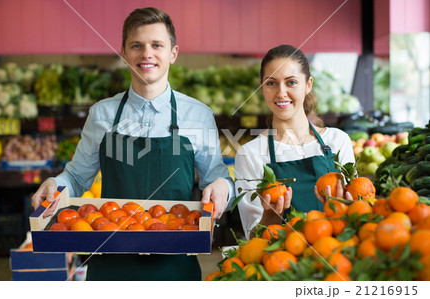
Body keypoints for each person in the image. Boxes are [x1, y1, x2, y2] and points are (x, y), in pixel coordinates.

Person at [31, 7, 235, 280]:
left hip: (174, 265)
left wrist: (222, 186)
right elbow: (78, 177)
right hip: (111, 260)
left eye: (157, 45)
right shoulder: (101, 114)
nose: (146, 53)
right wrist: (54, 185)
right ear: (124, 53)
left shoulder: (197, 115)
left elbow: (218, 178)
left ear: (173, 53)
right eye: (136, 45)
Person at [235, 45, 355, 240]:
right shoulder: (249, 154)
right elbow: (253, 240)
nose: (281, 93)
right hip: (283, 265)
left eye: (291, 82)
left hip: (335, 257)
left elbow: (358, 216)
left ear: (308, 85)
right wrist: (270, 216)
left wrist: (342, 209)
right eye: (271, 83)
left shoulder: (338, 141)